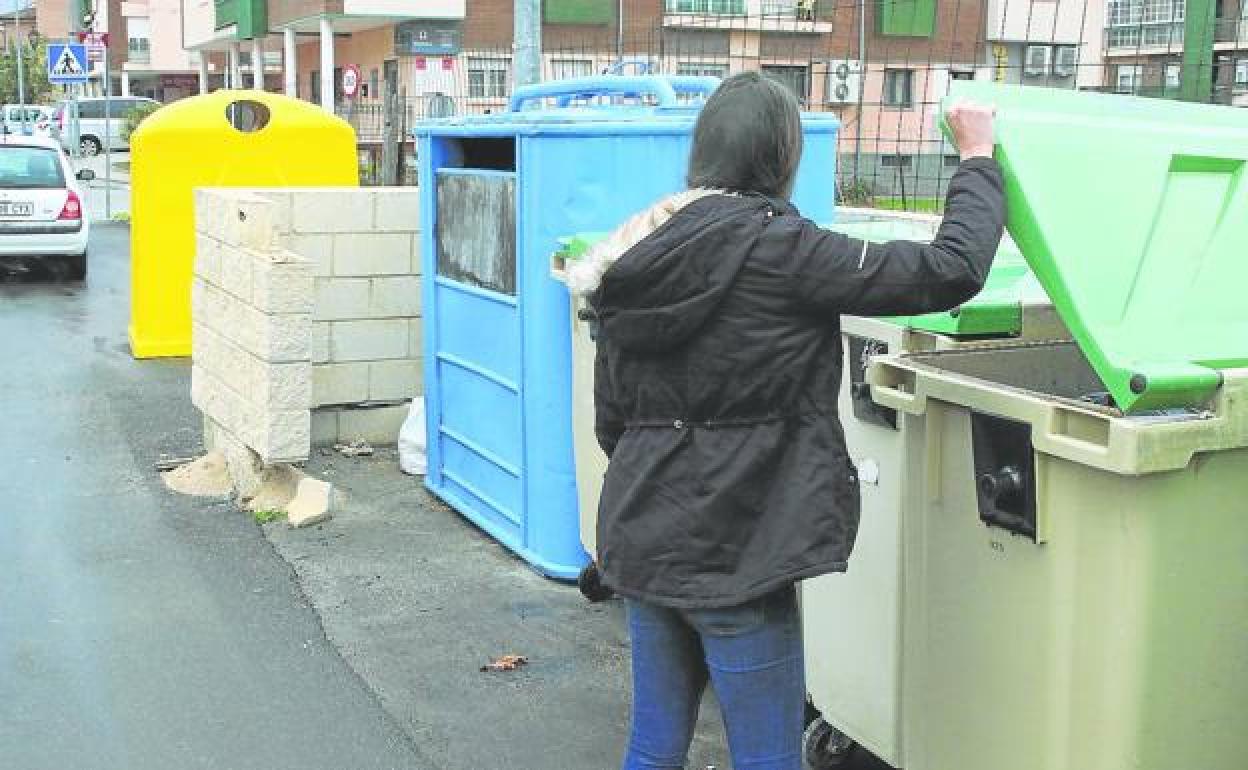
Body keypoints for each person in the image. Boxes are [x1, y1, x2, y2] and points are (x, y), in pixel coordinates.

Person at [566, 72, 1003, 769]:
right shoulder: (789, 251)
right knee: (767, 756)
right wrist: (978, 157)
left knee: (653, 748)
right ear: (782, 158)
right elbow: (950, 268)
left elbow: (613, 424)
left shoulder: (633, 259)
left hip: (642, 535)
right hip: (741, 549)